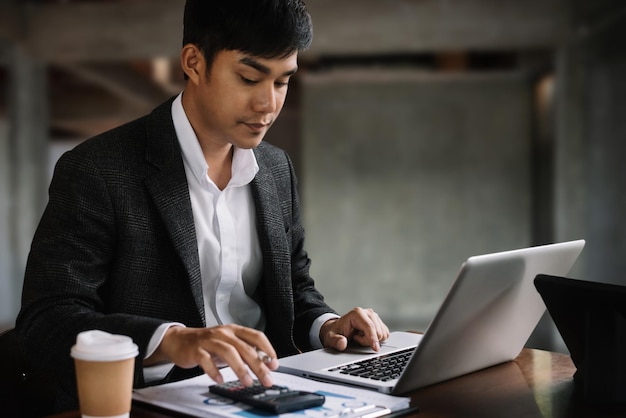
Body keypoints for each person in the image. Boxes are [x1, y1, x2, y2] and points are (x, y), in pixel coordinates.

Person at [15, 0, 390, 414]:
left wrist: (328, 326)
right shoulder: (97, 170)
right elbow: (46, 323)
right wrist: (173, 341)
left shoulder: (275, 168)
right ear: (194, 62)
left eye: (283, 82)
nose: (268, 104)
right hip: (146, 404)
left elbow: (295, 290)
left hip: (274, 393)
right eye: (249, 78)